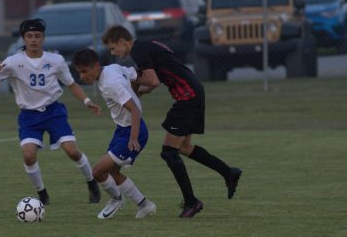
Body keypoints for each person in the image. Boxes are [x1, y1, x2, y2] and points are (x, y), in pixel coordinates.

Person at [101, 25, 242, 218]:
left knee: (169, 153)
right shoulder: (145, 45)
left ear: (122, 41)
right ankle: (228, 172)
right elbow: (156, 77)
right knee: (184, 147)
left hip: (187, 95)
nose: (112, 52)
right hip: (193, 90)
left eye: (112, 47)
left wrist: (135, 85)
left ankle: (192, 202)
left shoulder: (139, 50)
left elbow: (152, 80)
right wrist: (139, 91)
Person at [0, 18, 102, 206]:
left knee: (72, 151)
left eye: (37, 36)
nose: (33, 40)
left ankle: (91, 182)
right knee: (28, 155)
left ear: (43, 38)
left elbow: (71, 84)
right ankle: (42, 194)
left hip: (53, 112)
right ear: (23, 39)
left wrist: (87, 101)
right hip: (29, 116)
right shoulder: (13, 62)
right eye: (29, 36)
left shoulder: (55, 60)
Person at [72, 48, 156, 219]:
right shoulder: (112, 69)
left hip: (132, 131)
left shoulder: (111, 84)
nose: (81, 76)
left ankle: (117, 199)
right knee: (111, 172)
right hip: (122, 129)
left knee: (97, 172)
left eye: (84, 71)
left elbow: (134, 110)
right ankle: (144, 205)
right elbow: (133, 75)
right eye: (79, 72)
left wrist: (133, 138)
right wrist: (137, 90)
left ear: (96, 66)